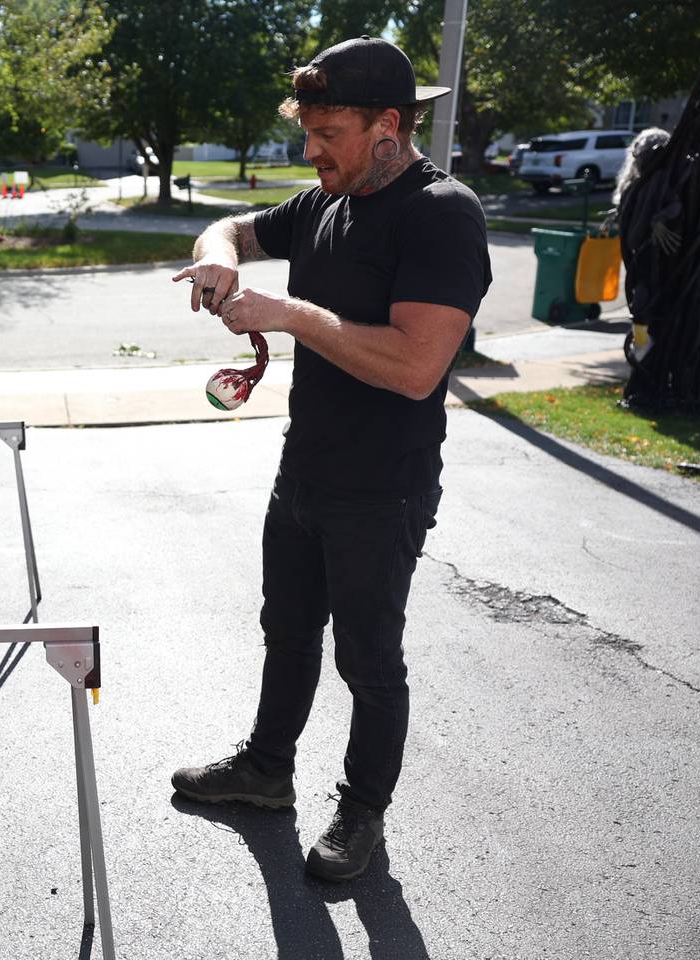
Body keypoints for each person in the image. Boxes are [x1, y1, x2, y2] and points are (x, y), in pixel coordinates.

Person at [168, 36, 492, 882]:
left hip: (382, 490)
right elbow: (232, 224)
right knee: (286, 632)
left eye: (329, 134)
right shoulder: (326, 201)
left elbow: (417, 368)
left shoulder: (441, 213)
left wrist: (292, 315)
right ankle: (268, 771)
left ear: (389, 125)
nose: (310, 152)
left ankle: (362, 815)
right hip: (304, 471)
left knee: (369, 661)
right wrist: (217, 255)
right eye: (306, 132)